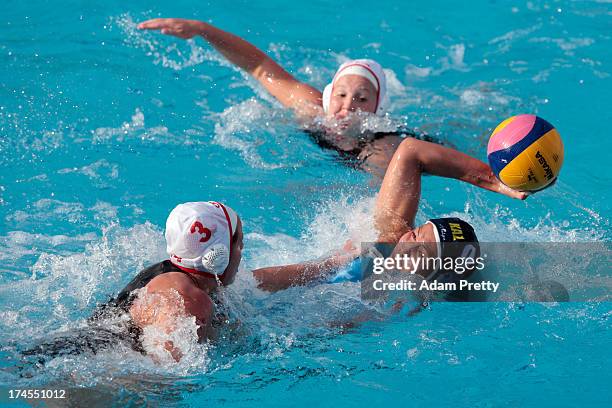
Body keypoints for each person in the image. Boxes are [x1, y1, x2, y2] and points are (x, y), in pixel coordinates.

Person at [137, 18, 431, 175]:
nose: (348, 106)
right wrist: (202, 30)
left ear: (377, 109)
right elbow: (259, 67)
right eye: (341, 94)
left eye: (362, 99)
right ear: (328, 97)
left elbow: (380, 203)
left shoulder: (383, 148)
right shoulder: (312, 109)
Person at [253, 137, 526, 292]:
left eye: (421, 253)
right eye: (416, 234)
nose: (407, 247)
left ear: (432, 277)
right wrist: (495, 180)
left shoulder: (398, 300)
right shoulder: (389, 239)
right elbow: (411, 150)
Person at [25, 201, 244, 363]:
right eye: (239, 243)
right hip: (70, 366)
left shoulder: (175, 274)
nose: (242, 252)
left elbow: (258, 281)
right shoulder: (189, 299)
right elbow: (167, 373)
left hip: (65, 350)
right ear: (219, 253)